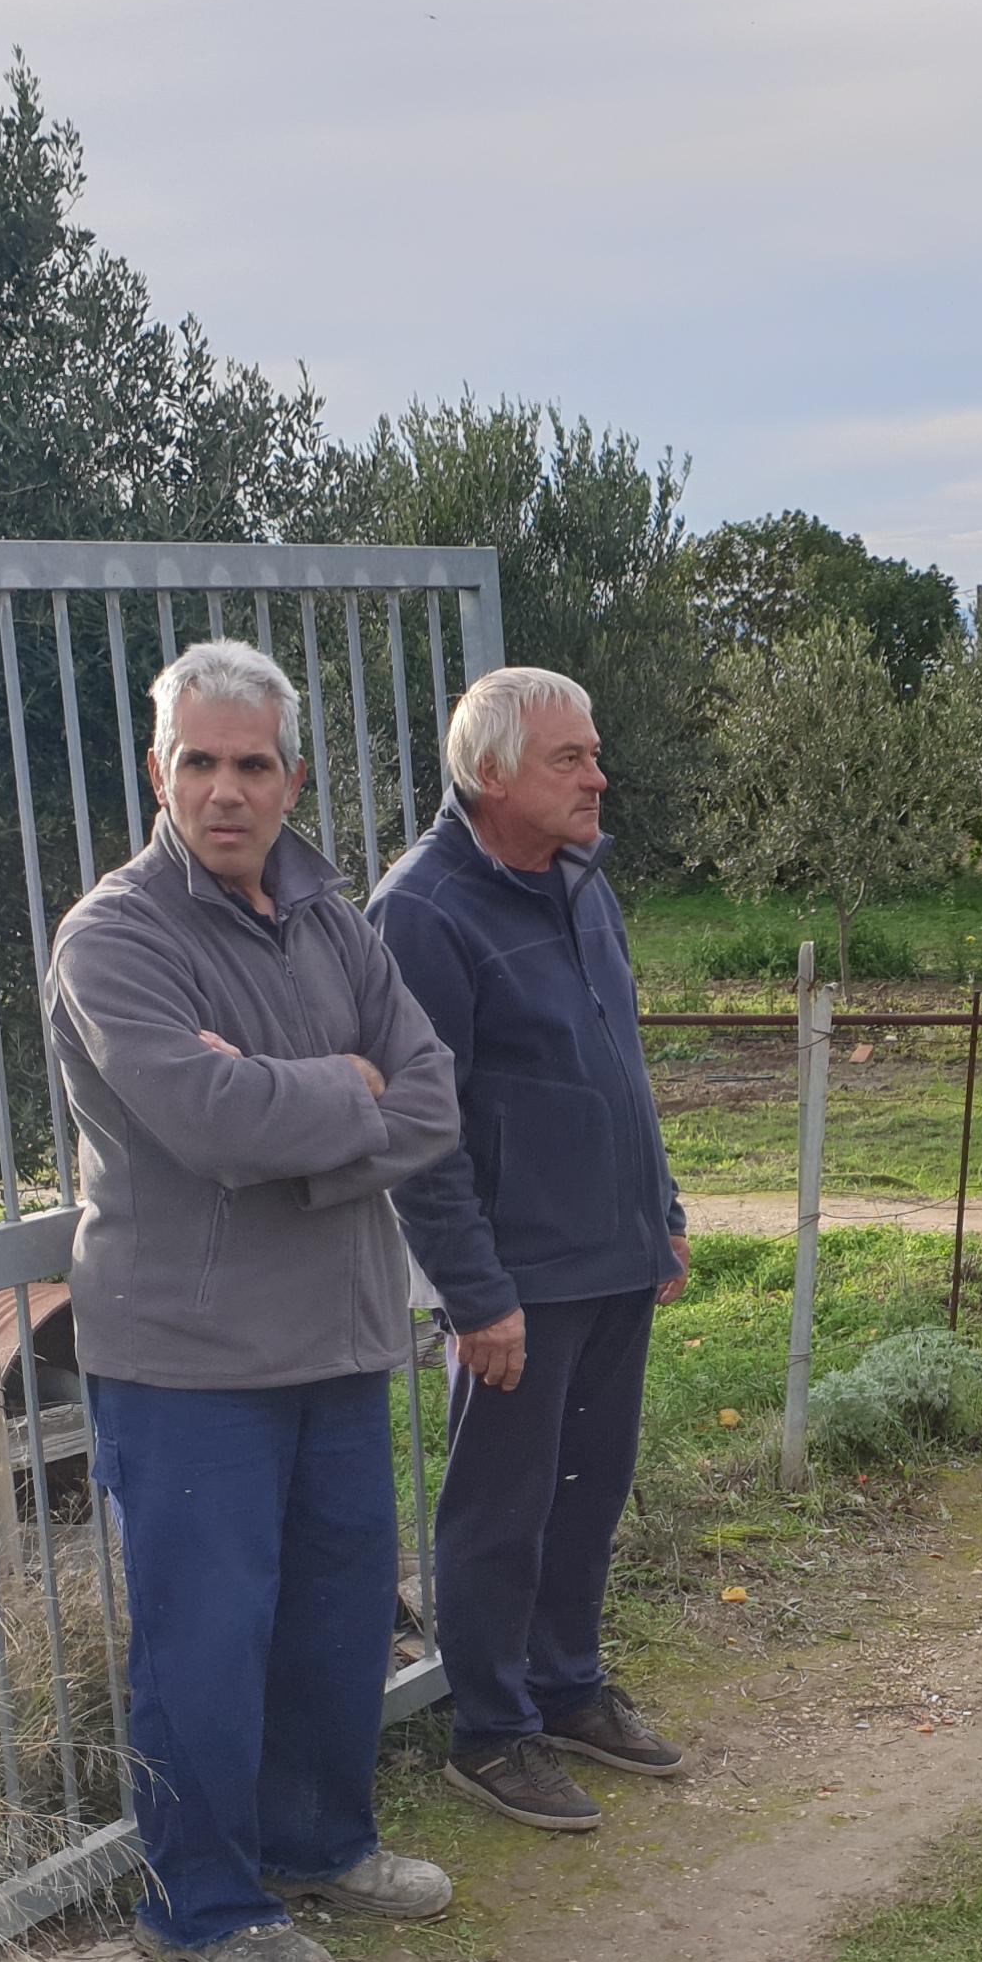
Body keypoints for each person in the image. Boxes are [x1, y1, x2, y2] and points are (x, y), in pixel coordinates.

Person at [45, 639, 463, 1962]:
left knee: (339, 1617)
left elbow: (433, 1097)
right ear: (158, 772)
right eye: (200, 763)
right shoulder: (113, 937)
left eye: (254, 764)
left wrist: (311, 1107)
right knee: (204, 1639)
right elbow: (205, 1123)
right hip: (190, 1362)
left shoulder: (338, 924)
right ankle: (203, 1902)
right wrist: (345, 1098)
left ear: (294, 777)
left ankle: (321, 1842)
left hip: (338, 1336)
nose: (227, 791)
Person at [369, 666, 691, 1834]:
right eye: (572, 759)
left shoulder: (579, 880)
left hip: (613, 1253)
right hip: (516, 1281)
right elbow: (424, 1131)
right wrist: (475, 1294)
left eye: (595, 754)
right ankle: (491, 1732)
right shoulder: (424, 910)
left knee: (589, 1488)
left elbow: (619, 1068)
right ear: (489, 773)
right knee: (498, 1509)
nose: (599, 776)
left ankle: (566, 1688)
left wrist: (661, 1211)